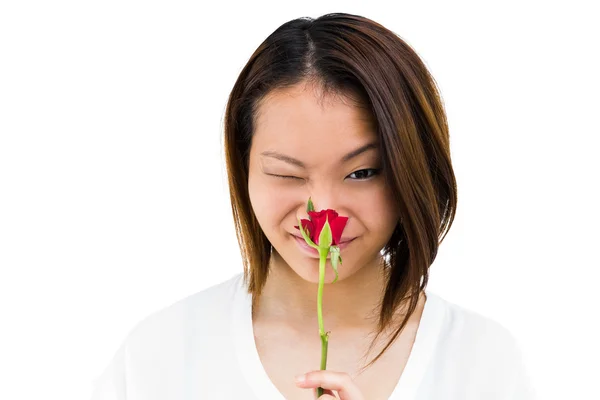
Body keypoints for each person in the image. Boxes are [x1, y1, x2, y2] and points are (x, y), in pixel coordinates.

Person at [91, 12, 536, 400]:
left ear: (414, 169)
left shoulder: (482, 363)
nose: (322, 211)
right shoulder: (157, 358)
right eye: (287, 174)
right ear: (242, 168)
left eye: (362, 173)